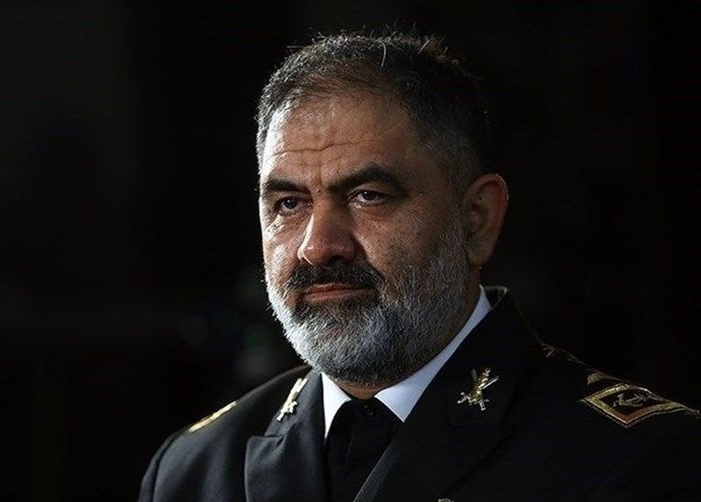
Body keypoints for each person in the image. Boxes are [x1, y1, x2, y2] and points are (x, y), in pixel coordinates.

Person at [137, 30, 701, 502]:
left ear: (476, 219)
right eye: (288, 204)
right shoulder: (193, 471)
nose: (319, 246)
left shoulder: (637, 461)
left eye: (368, 196)